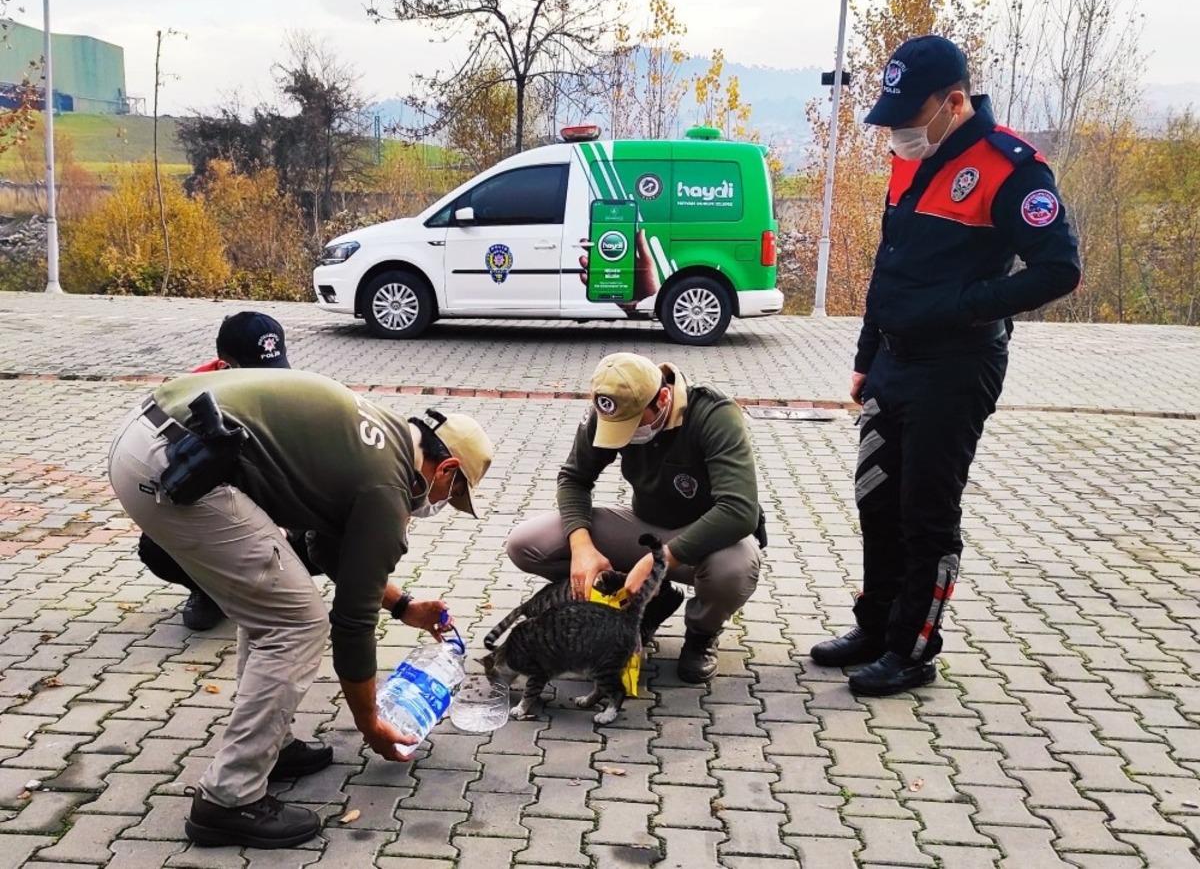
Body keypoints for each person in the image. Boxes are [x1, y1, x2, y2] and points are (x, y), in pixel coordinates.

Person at [107, 369, 493, 848]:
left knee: (274, 604)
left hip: (154, 436)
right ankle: (229, 800)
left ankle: (270, 746)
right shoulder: (387, 488)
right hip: (179, 462)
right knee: (296, 621)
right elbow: (352, 624)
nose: (440, 505)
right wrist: (369, 721)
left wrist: (403, 606)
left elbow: (330, 550)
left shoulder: (383, 439)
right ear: (447, 468)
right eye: (451, 496)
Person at [809, 36, 1081, 696]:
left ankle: (913, 648)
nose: (898, 133)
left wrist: (965, 307)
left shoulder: (1012, 168)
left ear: (954, 101)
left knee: (925, 513)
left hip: (958, 366)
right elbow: (889, 265)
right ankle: (874, 627)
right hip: (894, 365)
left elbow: (1059, 269)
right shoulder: (913, 156)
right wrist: (865, 356)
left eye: (909, 117)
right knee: (877, 501)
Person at [507, 352, 764, 683]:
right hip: (643, 527)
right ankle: (648, 603)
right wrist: (582, 546)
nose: (626, 435)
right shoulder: (610, 409)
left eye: (634, 424)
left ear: (663, 398)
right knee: (526, 544)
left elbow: (739, 510)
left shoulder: (713, 414)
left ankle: (701, 637)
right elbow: (573, 478)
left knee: (735, 569)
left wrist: (659, 562)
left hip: (703, 537)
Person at [139, 311, 292, 631]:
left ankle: (277, 587)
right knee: (154, 547)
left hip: (273, 510)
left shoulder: (290, 393)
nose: (268, 381)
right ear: (225, 366)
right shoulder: (184, 404)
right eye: (255, 371)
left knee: (318, 534)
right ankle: (209, 589)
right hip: (212, 511)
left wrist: (285, 523)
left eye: (273, 370)